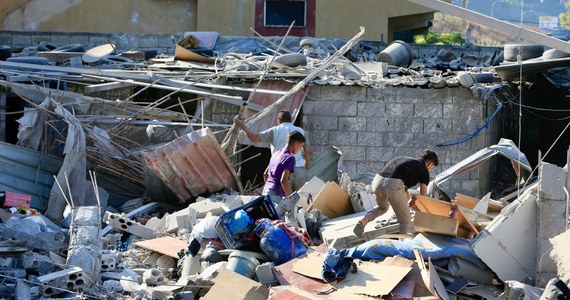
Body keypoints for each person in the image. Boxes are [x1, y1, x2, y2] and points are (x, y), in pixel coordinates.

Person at [353, 149, 439, 236]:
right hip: (393, 184)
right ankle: (402, 246)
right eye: (432, 168)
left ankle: (363, 222)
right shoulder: (424, 170)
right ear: (430, 164)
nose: (430, 170)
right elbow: (423, 197)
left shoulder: (405, 160)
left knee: (382, 207)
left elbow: (402, 187)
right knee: (405, 221)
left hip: (377, 181)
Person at [234, 110, 312, 191]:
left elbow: (254, 138)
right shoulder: (301, 131)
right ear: (291, 120)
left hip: (280, 171)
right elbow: (308, 152)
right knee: (301, 200)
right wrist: (305, 167)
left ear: (278, 120)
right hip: (299, 170)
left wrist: (242, 126)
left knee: (282, 200)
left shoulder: (274, 131)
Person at [262, 130, 306, 203]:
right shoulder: (290, 158)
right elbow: (283, 180)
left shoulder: (276, 154)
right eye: (300, 146)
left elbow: (265, 174)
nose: (300, 149)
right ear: (295, 143)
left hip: (265, 192)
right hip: (276, 195)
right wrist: (290, 198)